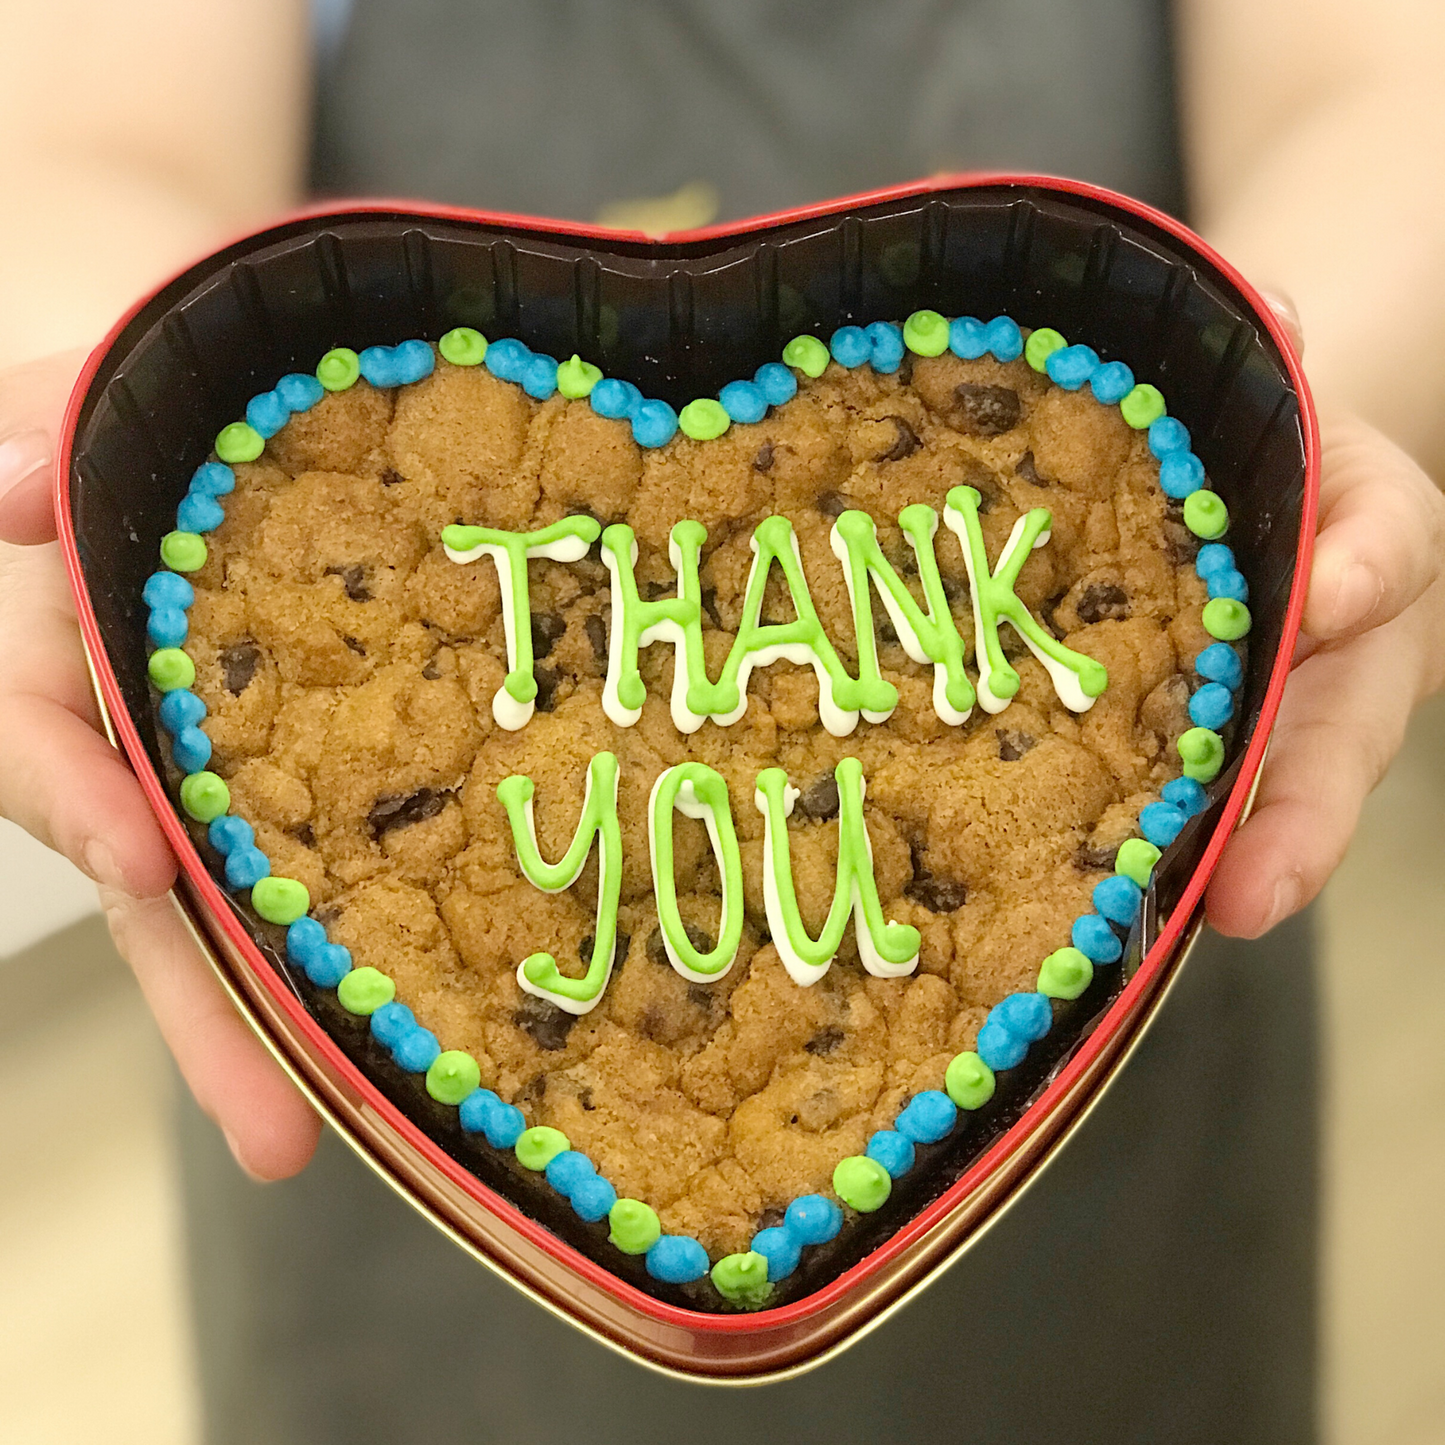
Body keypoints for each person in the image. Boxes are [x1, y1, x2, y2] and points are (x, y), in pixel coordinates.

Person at [2, 2, 1443, 1439]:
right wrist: (84, 426)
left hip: (1105, 997)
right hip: (390, 1082)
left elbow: (1375, 92)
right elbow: (103, 138)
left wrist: (1301, 428)